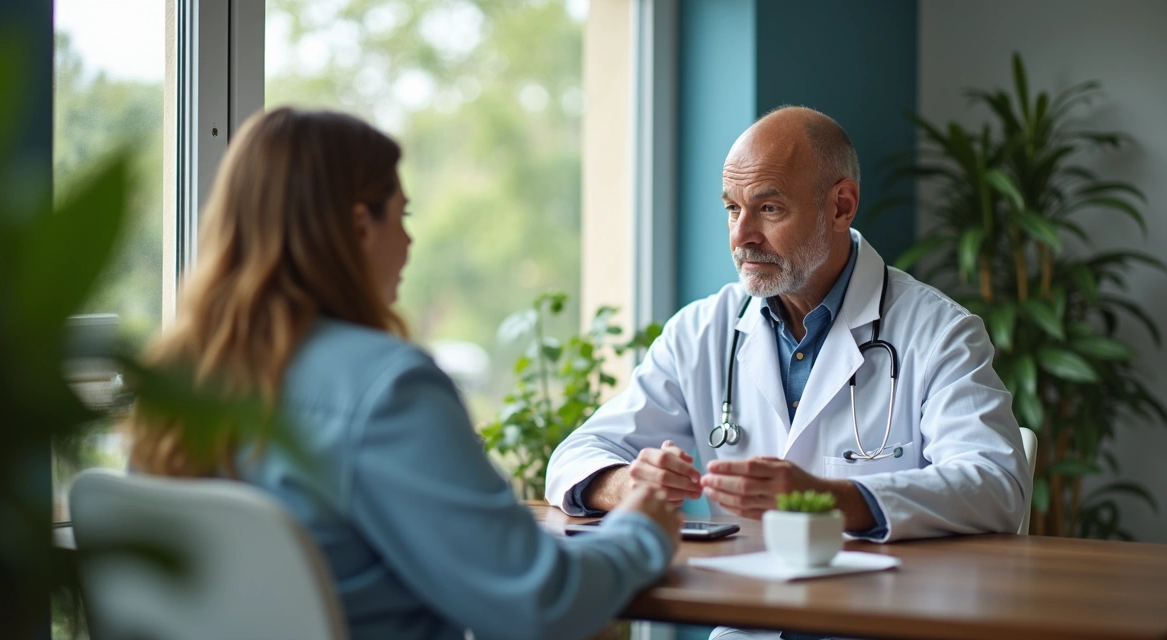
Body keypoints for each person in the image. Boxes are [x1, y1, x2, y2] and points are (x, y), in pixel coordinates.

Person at [126, 107, 683, 640]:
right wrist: (640, 532)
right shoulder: (387, 388)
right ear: (359, 226)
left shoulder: (173, 383)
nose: (410, 242)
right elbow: (538, 601)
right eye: (403, 215)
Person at [546, 106, 1030, 550]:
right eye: (732, 208)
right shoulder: (702, 330)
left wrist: (824, 498)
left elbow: (995, 483)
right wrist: (630, 483)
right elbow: (577, 455)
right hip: (747, 617)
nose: (741, 236)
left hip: (879, 616)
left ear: (841, 206)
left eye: (769, 209)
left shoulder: (940, 332)